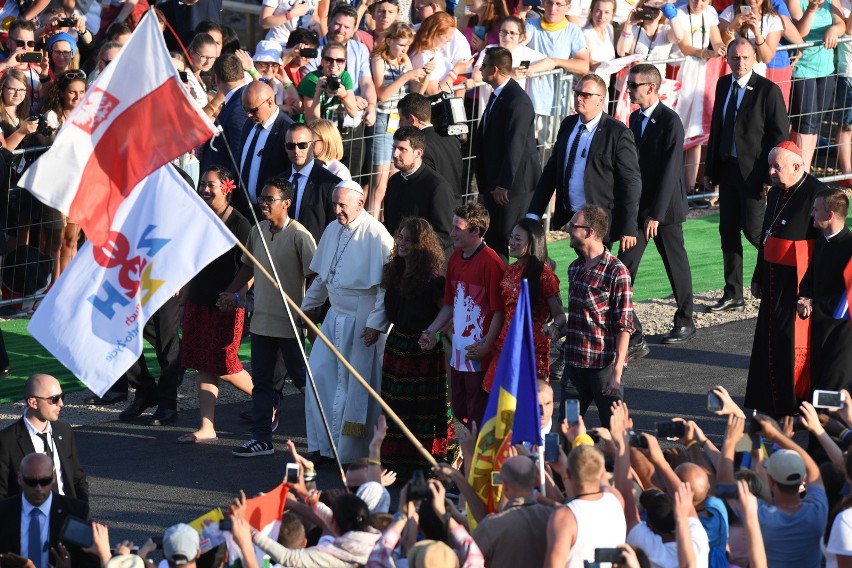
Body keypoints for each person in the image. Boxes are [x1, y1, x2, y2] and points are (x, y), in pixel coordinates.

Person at [218, 178, 316, 457]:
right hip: (261, 323)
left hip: (290, 326)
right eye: (261, 197)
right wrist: (229, 293)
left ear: (286, 203)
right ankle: (261, 439)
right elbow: (247, 268)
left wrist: (309, 314)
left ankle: (325, 436)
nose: (263, 203)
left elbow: (316, 277)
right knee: (262, 384)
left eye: (269, 199)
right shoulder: (257, 231)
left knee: (303, 381)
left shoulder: (300, 236)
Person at [301, 180, 394, 464]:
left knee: (354, 385)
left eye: (342, 205)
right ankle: (325, 445)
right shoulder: (332, 229)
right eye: (334, 204)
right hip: (334, 317)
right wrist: (305, 308)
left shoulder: (377, 236)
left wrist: (375, 324)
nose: (337, 210)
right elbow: (323, 278)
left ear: (360, 203)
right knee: (319, 374)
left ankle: (353, 452)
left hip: (361, 319)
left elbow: (384, 288)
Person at [704, 37, 788, 313]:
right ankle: (733, 293)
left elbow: (779, 136)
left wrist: (771, 176)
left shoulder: (768, 90)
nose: (740, 63)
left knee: (755, 231)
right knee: (727, 231)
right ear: (727, 58)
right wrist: (710, 169)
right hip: (727, 169)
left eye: (745, 57)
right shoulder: (723, 84)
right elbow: (717, 128)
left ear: (755, 58)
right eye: (735, 57)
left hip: (754, 173)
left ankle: (782, 278)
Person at [744, 141, 822, 417]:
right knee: (768, 342)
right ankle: (767, 403)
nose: (772, 172)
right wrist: (757, 275)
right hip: (773, 279)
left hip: (797, 282)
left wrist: (809, 290)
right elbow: (767, 235)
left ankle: (792, 406)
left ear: (797, 166)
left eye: (777, 167)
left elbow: (822, 249)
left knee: (790, 345)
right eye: (770, 166)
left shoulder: (818, 193)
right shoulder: (777, 192)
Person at [620, 63, 696, 345]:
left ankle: (685, 320)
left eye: (633, 86)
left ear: (651, 87)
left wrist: (656, 214)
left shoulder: (670, 121)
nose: (628, 90)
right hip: (639, 209)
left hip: (664, 210)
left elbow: (670, 171)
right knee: (625, 265)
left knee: (675, 263)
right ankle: (626, 323)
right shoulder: (635, 119)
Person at [179, 167, 253, 444]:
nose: (205, 190)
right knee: (203, 363)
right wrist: (185, 294)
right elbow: (193, 259)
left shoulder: (241, 224)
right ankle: (207, 427)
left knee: (225, 363)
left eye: (211, 185)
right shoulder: (200, 218)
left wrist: (235, 295)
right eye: (203, 185)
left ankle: (266, 399)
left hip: (226, 304)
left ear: (227, 187)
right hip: (199, 300)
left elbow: (253, 267)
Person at [379, 218, 455, 478]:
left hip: (422, 352)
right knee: (395, 406)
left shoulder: (433, 280)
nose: (402, 243)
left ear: (421, 245)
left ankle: (423, 466)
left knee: (420, 409)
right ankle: (395, 464)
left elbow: (448, 313)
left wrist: (431, 334)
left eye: (409, 240)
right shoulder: (393, 271)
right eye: (400, 238)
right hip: (397, 345)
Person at [420, 203, 505, 431]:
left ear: (476, 232)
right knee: (460, 411)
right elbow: (450, 304)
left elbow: (500, 311)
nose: (452, 233)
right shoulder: (456, 258)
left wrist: (487, 345)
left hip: (479, 355)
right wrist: (431, 330)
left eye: (458, 228)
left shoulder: (491, 263)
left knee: (478, 416)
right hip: (459, 351)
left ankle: (477, 464)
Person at [555, 205, 633, 428]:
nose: (568, 230)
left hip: (603, 370)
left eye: (573, 226)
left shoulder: (617, 272)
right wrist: (558, 329)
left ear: (589, 232)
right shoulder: (574, 269)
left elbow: (624, 326)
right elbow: (581, 317)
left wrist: (617, 372)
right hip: (574, 371)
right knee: (566, 430)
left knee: (615, 431)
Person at [717, 414, 828, 568]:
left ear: (771, 481)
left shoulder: (760, 516)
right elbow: (814, 472)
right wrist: (779, 436)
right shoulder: (818, 510)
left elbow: (724, 481)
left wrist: (729, 441)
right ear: (803, 478)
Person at [473, 46, 540, 263]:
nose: (480, 70)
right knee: (495, 238)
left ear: (494, 70)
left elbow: (516, 145)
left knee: (514, 238)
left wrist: (504, 183)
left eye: (483, 66)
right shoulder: (498, 95)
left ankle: (524, 289)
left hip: (514, 187)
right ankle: (500, 288)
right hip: (497, 184)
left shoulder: (516, 100)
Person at [486, 218, 564, 390]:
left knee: (527, 407)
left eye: (518, 239)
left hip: (531, 350)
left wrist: (554, 327)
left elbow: (559, 315)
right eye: (511, 237)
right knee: (500, 406)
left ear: (532, 243)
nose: (512, 243)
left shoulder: (545, 275)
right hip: (505, 344)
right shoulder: (509, 270)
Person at [367, 22, 426, 217]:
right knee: (379, 183)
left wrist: (424, 77)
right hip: (383, 120)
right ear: (389, 40)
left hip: (398, 121)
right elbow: (381, 94)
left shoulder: (404, 60)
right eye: (401, 45)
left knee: (393, 179)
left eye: (407, 46)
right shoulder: (378, 59)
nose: (404, 50)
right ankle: (372, 227)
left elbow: (415, 93)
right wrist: (406, 75)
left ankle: (386, 224)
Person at [0, 374, 88, 501]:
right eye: (54, 399)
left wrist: (82, 514)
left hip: (67, 515)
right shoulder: (6, 441)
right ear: (33, 402)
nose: (61, 404)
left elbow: (77, 478)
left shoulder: (64, 431)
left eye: (62, 397)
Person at [798, 188, 852, 394]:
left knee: (835, 385)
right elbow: (810, 278)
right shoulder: (821, 242)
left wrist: (814, 304)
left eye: (815, 209)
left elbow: (848, 297)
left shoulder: (850, 247)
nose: (812, 214)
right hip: (820, 327)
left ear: (829, 215)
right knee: (819, 380)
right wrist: (804, 298)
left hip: (842, 333)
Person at [0, 454, 97, 568]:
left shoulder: (76, 512)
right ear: (20, 479)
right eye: (31, 482)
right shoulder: (3, 512)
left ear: (54, 477)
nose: (38, 488)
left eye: (45, 481)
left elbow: (91, 562)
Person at [671, 0, 724, 195]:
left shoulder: (709, 12)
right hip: (680, 73)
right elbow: (684, 46)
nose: (698, 3)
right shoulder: (679, 13)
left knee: (695, 131)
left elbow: (716, 39)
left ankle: (690, 188)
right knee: (677, 130)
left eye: (704, 0)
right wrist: (706, 52)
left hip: (700, 75)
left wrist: (719, 48)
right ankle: (673, 186)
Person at [544, 445, 626, 568]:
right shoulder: (616, 499)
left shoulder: (564, 517)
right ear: (603, 472)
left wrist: (563, 470)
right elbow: (598, 481)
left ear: (568, 474)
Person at [787, 0, 845, 171]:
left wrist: (834, 29)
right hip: (802, 67)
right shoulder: (795, 2)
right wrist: (811, 10)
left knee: (816, 122)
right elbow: (799, 33)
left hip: (826, 68)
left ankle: (804, 168)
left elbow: (841, 23)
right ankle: (800, 172)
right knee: (806, 121)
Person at [382, 126, 456, 259]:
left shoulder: (437, 187)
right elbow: (389, 223)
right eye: (394, 147)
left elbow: (446, 234)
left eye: (402, 149)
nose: (395, 154)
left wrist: (414, 250)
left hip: (427, 264)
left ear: (419, 153)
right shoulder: (394, 181)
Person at [525, 0, 590, 145]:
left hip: (553, 107)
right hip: (526, 103)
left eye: (558, 4)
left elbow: (583, 65)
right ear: (542, 3)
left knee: (547, 157)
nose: (553, 8)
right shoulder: (529, 24)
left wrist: (555, 62)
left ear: (568, 7)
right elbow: (517, 45)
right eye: (549, 2)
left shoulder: (573, 31)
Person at [471, 455, 553, 568]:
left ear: (504, 486)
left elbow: (465, 558)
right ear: (536, 482)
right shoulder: (555, 517)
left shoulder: (492, 525)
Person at [235, 80, 293, 222]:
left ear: (269, 102)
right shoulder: (250, 123)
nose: (248, 115)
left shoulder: (288, 131)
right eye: (245, 110)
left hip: (269, 216)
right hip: (244, 210)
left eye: (253, 110)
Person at [283, 122, 342, 245]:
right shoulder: (280, 180)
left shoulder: (329, 184)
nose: (296, 150)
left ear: (312, 145)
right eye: (290, 146)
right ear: (285, 147)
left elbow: (336, 227)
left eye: (302, 145)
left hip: (315, 255)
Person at [397, 92, 463, 201]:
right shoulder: (452, 138)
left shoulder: (418, 148)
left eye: (401, 119)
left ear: (412, 119)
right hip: (455, 205)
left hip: (433, 208)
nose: (400, 125)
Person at [199, 53, 249, 173]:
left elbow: (237, 155)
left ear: (216, 79)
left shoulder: (238, 109)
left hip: (225, 182)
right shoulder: (237, 100)